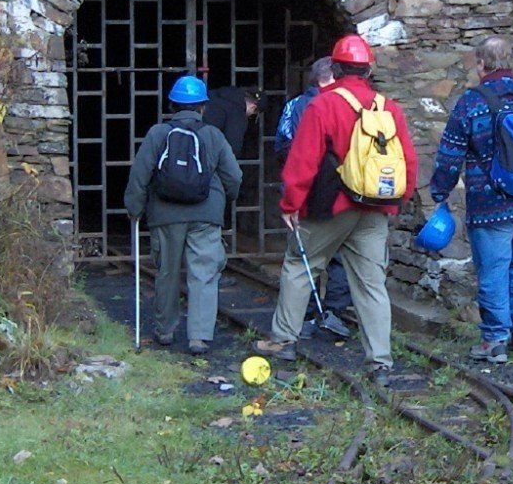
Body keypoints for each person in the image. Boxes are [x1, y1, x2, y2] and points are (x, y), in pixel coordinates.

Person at [268, 34, 417, 370]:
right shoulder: (387, 107)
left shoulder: (322, 105)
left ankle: (283, 341)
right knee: (371, 284)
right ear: (367, 70)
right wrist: (395, 202)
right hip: (374, 209)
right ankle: (380, 359)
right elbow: (407, 161)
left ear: (334, 67)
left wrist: (291, 204)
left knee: (299, 266)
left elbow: (303, 161)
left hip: (329, 208)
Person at [429, 35, 513, 362]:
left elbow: (450, 155)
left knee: (492, 268)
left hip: (491, 205)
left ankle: (494, 339)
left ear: (480, 63)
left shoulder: (472, 102)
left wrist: (439, 191)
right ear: (509, 61)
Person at [124, 74, 242, 356]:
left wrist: (135, 208)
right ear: (203, 106)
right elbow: (234, 176)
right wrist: (224, 201)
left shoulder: (157, 134)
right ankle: (199, 337)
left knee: (167, 272)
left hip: (165, 215)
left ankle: (165, 331)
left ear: (172, 104)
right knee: (203, 273)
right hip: (206, 215)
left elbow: (139, 175)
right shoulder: (213, 135)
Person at [271, 57, 354, 337]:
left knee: (303, 256)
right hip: (344, 192)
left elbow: (283, 148)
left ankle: (303, 317)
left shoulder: (294, 106)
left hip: (307, 194)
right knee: (340, 254)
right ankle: (334, 311)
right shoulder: (349, 105)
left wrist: (293, 192)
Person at [204, 83, 260, 157]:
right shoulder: (238, 113)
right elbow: (233, 147)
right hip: (205, 151)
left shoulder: (216, 94)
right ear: (253, 107)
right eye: (253, 114)